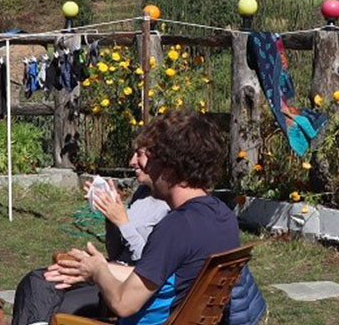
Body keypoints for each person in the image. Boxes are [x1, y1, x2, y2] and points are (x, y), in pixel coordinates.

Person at [49, 109, 240, 325]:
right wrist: (93, 266)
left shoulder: (177, 227)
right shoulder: (223, 217)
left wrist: (99, 271)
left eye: (150, 159)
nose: (145, 166)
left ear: (170, 168)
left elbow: (123, 303)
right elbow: (162, 277)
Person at [11, 178, 169, 325]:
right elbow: (116, 253)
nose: (133, 162)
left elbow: (151, 265)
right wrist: (110, 218)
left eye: (141, 157)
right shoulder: (142, 192)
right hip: (108, 269)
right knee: (36, 280)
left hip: (125, 284)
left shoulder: (171, 208)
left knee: (53, 305)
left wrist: (123, 223)